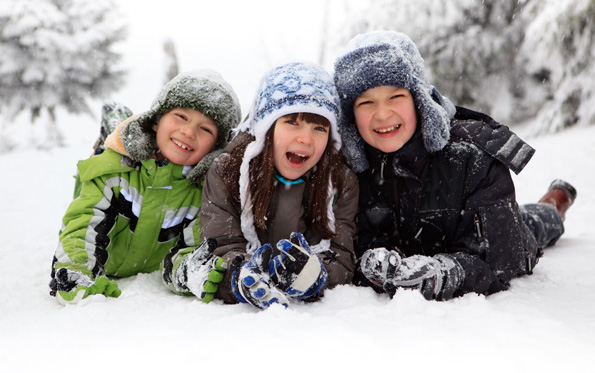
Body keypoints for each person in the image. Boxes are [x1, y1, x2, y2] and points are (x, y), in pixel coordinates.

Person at [332, 30, 577, 301]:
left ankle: (555, 203)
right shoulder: (348, 168)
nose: (382, 114)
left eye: (396, 97)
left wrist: (447, 272)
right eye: (366, 102)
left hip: (506, 228)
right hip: (450, 230)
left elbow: (501, 259)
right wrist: (370, 260)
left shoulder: (471, 155)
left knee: (532, 224)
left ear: (419, 99)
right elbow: (350, 240)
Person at [49, 69, 242, 304]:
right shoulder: (112, 173)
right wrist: (75, 271)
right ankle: (112, 129)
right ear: (155, 121)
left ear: (215, 147)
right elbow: (81, 228)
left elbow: (188, 251)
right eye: (181, 116)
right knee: (99, 162)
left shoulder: (202, 193)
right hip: (119, 177)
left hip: (150, 254)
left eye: (206, 129)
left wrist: (188, 272)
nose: (189, 132)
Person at [198, 61, 359, 309]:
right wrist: (240, 275)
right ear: (266, 128)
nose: (305, 138)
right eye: (291, 122)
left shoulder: (340, 182)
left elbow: (342, 256)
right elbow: (220, 247)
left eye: (319, 127)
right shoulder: (227, 172)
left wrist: (317, 275)